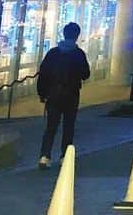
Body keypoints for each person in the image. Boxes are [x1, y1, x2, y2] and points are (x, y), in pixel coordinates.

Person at [37, 22, 91, 168]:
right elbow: (86, 74)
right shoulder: (78, 54)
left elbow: (43, 74)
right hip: (71, 95)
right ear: (76, 36)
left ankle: (44, 156)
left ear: (64, 34)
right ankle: (65, 156)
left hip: (53, 95)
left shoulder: (53, 53)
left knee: (51, 126)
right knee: (69, 126)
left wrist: (42, 93)